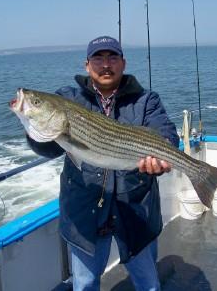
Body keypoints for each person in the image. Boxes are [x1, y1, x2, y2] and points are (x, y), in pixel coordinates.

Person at [27, 36, 179, 291]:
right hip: (85, 214)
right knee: (85, 284)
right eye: (98, 58)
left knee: (148, 284)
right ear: (87, 65)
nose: (105, 64)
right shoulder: (68, 98)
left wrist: (164, 152)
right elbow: (47, 149)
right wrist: (34, 126)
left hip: (135, 210)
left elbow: (165, 133)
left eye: (112, 57)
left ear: (123, 63)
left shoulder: (146, 100)